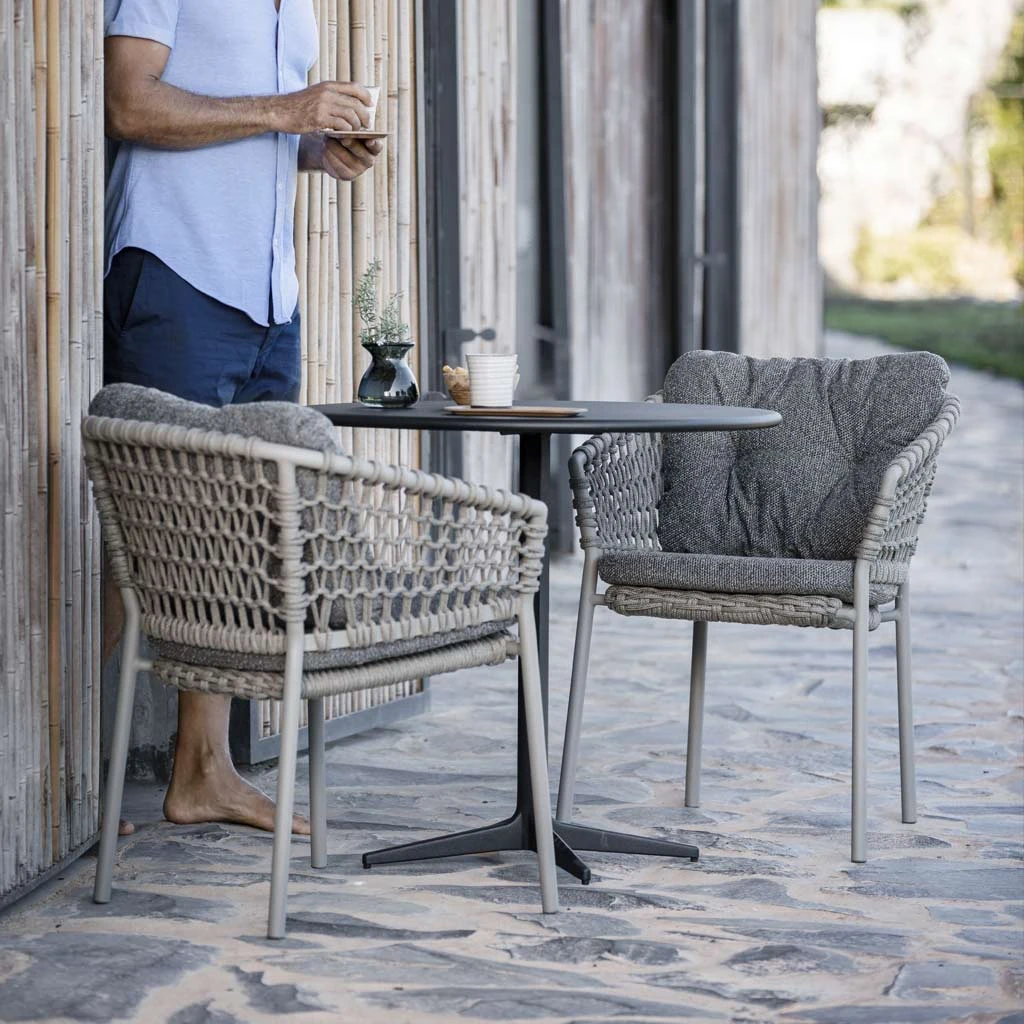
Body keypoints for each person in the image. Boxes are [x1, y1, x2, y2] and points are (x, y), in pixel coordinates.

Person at [103, 0, 381, 834]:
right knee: (147, 525)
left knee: (226, 536)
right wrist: (287, 110)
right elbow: (129, 102)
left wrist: (316, 148)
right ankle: (58, 767)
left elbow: (254, 125)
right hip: (178, 271)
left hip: (268, 293)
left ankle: (203, 771)